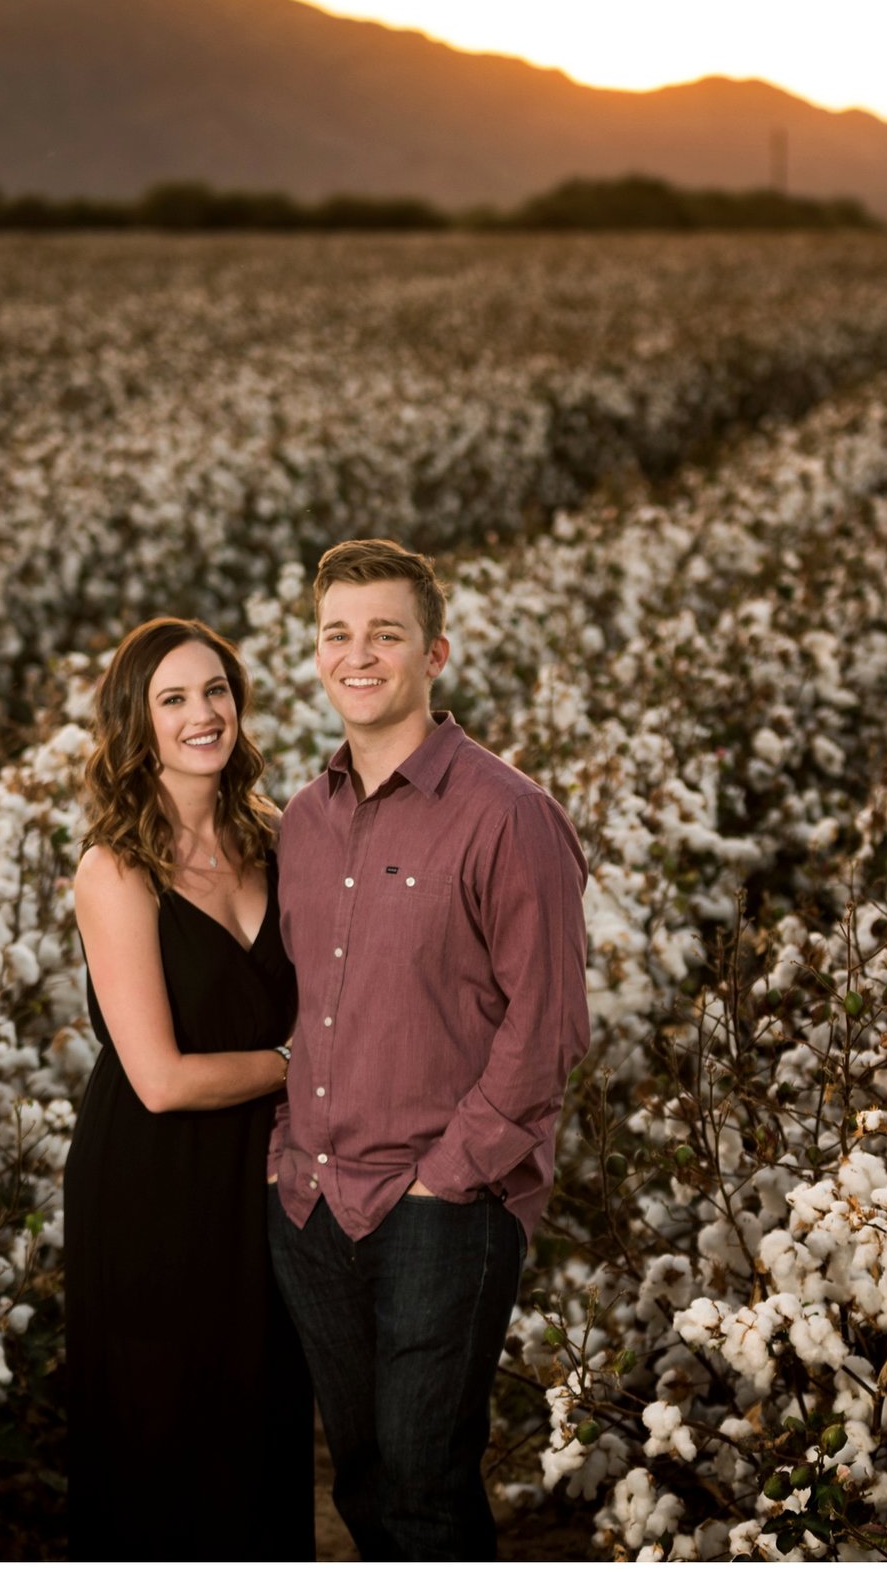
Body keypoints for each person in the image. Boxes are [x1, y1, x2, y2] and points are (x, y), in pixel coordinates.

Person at [266, 538, 592, 1559]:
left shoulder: (508, 813)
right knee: (363, 1482)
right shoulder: (301, 820)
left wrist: (445, 1179)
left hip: (438, 1210)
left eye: (386, 634)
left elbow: (548, 1028)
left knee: (424, 1488)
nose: (357, 655)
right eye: (337, 633)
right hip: (311, 1200)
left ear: (436, 651)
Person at [63, 616, 314, 1561]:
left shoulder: (280, 836)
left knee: (263, 1429)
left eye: (215, 691)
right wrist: (299, 1066)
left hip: (265, 1182)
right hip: (149, 1187)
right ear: (138, 722)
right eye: (173, 698)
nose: (202, 714)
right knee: (164, 1447)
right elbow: (161, 1080)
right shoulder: (115, 869)